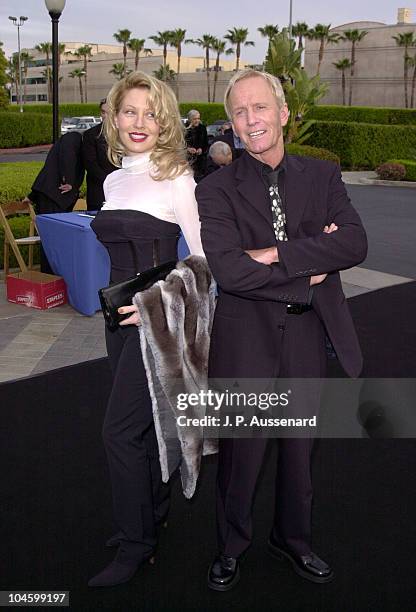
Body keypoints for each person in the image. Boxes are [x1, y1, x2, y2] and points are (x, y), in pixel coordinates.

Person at [195, 69, 368, 591]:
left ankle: (294, 541)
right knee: (240, 454)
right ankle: (231, 546)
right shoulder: (215, 189)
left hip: (309, 337)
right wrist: (308, 271)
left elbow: (354, 243)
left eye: (261, 108)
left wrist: (274, 254)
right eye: (241, 113)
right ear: (232, 126)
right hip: (245, 338)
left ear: (283, 112)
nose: (252, 120)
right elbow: (227, 269)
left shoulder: (323, 176)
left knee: (300, 451)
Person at [88, 71, 204, 588]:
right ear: (114, 117)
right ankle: (149, 515)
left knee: (118, 432)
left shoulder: (176, 174)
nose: (140, 122)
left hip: (155, 322)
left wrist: (158, 300)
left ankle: (137, 545)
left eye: (151, 112)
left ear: (165, 121)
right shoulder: (114, 178)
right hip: (118, 323)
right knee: (143, 428)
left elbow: (204, 259)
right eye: (130, 111)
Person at [26, 131, 84, 273]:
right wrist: (69, 181)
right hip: (56, 194)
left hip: (52, 194)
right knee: (52, 238)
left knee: (51, 238)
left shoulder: (71, 139)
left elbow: (50, 168)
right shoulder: (74, 138)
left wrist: (32, 195)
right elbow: (67, 157)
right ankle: (51, 276)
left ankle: (51, 275)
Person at [82, 98, 117, 211]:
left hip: (122, 192)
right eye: (103, 112)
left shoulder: (125, 134)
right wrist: (110, 181)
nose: (106, 116)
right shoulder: (90, 135)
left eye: (109, 112)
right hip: (98, 193)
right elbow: (90, 164)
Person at [185, 109, 209, 181]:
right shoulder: (183, 129)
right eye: (194, 119)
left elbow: (206, 143)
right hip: (187, 160)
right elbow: (179, 144)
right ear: (189, 119)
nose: (197, 121)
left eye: (198, 118)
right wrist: (187, 149)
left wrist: (201, 149)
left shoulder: (202, 128)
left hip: (200, 161)